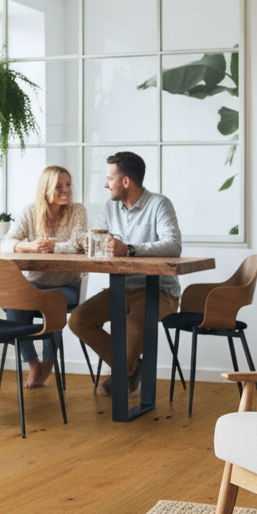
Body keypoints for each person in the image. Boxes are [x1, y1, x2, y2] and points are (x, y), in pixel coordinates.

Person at [68, 151, 181, 396]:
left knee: (133, 325)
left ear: (126, 181)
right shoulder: (111, 207)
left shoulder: (159, 204)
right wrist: (93, 244)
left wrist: (129, 249)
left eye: (110, 178)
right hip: (123, 288)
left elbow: (173, 244)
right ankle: (131, 369)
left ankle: (124, 373)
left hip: (161, 292)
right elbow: (104, 242)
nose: (106, 183)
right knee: (78, 320)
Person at [1, 166, 88, 388]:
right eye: (59, 186)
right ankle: (33, 364)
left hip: (67, 286)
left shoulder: (77, 211)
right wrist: (28, 245)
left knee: (52, 301)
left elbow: (79, 244)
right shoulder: (30, 212)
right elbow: (6, 243)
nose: (66, 190)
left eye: (68, 184)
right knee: (14, 305)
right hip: (33, 285)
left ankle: (49, 363)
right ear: (46, 188)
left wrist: (54, 247)